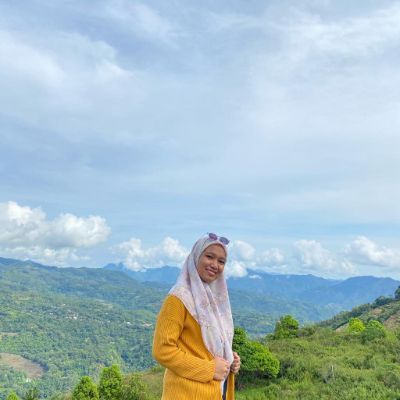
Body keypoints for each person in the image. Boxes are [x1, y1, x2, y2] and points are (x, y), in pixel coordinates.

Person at [152, 233, 241, 399]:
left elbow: (207, 347)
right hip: (185, 393)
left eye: (221, 261)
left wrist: (230, 359)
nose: (215, 265)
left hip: (217, 392)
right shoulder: (178, 298)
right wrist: (209, 369)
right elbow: (162, 350)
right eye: (209, 257)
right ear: (195, 257)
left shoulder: (215, 300)